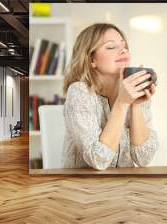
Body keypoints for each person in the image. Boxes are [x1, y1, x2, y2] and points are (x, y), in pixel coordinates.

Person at [62, 23, 159, 170]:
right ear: (91, 59)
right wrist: (122, 103)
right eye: (111, 47)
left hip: (125, 185)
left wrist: (135, 103)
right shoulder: (79, 92)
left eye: (124, 46)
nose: (123, 50)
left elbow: (144, 158)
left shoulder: (133, 90)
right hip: (83, 187)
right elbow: (98, 160)